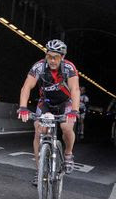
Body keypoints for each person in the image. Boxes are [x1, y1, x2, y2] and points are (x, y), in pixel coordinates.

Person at [17, 39, 80, 175]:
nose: (52, 61)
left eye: (56, 57)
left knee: (66, 127)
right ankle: (39, 170)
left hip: (65, 103)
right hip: (45, 102)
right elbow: (27, 86)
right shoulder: (39, 67)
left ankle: (68, 154)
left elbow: (75, 89)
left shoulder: (69, 68)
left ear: (62, 57)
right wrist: (23, 107)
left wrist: (74, 111)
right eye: (49, 56)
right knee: (39, 131)